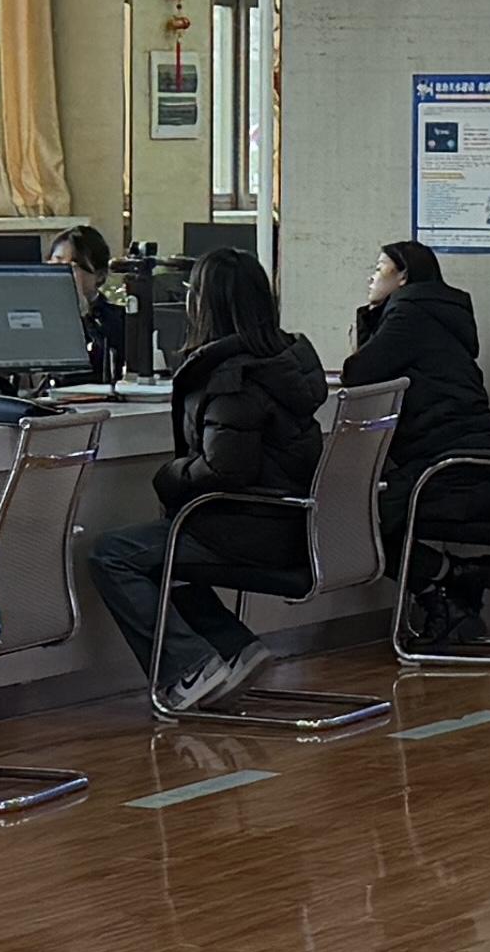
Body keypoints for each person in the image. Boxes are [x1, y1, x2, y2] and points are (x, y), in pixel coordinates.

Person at [94, 249, 325, 708]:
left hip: (248, 529)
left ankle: (190, 667)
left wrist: (170, 475)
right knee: (162, 546)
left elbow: (226, 468)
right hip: (288, 524)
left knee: (113, 554)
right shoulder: (284, 360)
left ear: (203, 304)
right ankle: (233, 645)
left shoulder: (231, 378)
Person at [348, 242, 490, 646]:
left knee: (355, 516)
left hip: (456, 474)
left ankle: (448, 583)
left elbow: (359, 373)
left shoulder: (410, 314)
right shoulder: (437, 315)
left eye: (380, 268)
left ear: (403, 277)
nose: (371, 276)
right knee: (366, 512)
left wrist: (368, 318)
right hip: (472, 468)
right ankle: (451, 585)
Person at [53, 224, 142, 383]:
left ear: (99, 275)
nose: (63, 272)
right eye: (57, 262)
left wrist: (83, 316)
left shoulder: (119, 320)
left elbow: (105, 365)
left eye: (75, 266)